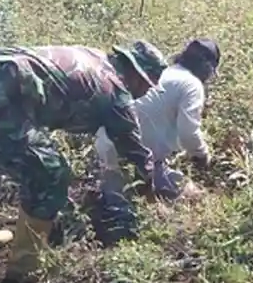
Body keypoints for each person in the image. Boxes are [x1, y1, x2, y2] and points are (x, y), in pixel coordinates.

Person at [0, 40, 169, 281]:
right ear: (138, 76)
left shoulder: (92, 56)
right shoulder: (115, 91)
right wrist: (150, 195)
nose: (145, 93)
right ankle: (25, 267)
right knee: (50, 173)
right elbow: (134, 152)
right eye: (147, 86)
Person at [92, 38, 221, 239]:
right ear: (207, 68)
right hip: (141, 159)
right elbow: (189, 133)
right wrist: (202, 155)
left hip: (106, 150)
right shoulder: (192, 85)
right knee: (195, 197)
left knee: (115, 200)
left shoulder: (161, 72)